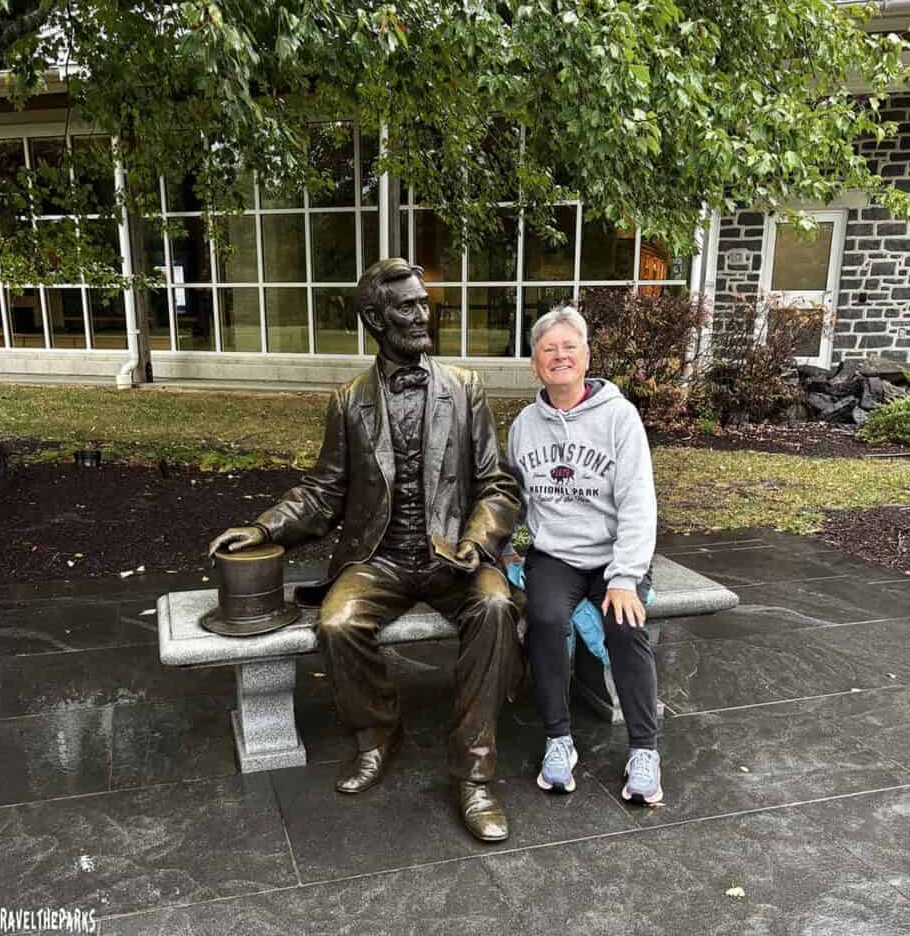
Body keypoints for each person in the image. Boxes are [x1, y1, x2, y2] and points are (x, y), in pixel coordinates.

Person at [209, 259, 524, 842]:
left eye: (424, 302)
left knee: (498, 609)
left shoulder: (465, 388)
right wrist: (266, 527)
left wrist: (478, 541)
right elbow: (324, 492)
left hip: (455, 553)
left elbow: (496, 485)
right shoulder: (349, 400)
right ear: (375, 319)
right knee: (338, 621)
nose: (422, 314)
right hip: (378, 558)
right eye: (407, 306)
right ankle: (378, 734)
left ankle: (475, 775)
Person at [507, 304, 662, 804]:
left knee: (624, 622)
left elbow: (639, 501)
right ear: (535, 364)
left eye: (568, 348)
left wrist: (625, 576)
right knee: (547, 618)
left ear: (586, 356)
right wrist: (504, 548)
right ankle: (558, 740)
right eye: (548, 349)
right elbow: (511, 498)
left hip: (615, 555)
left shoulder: (619, 418)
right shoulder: (524, 425)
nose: (559, 356)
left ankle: (644, 748)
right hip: (555, 555)